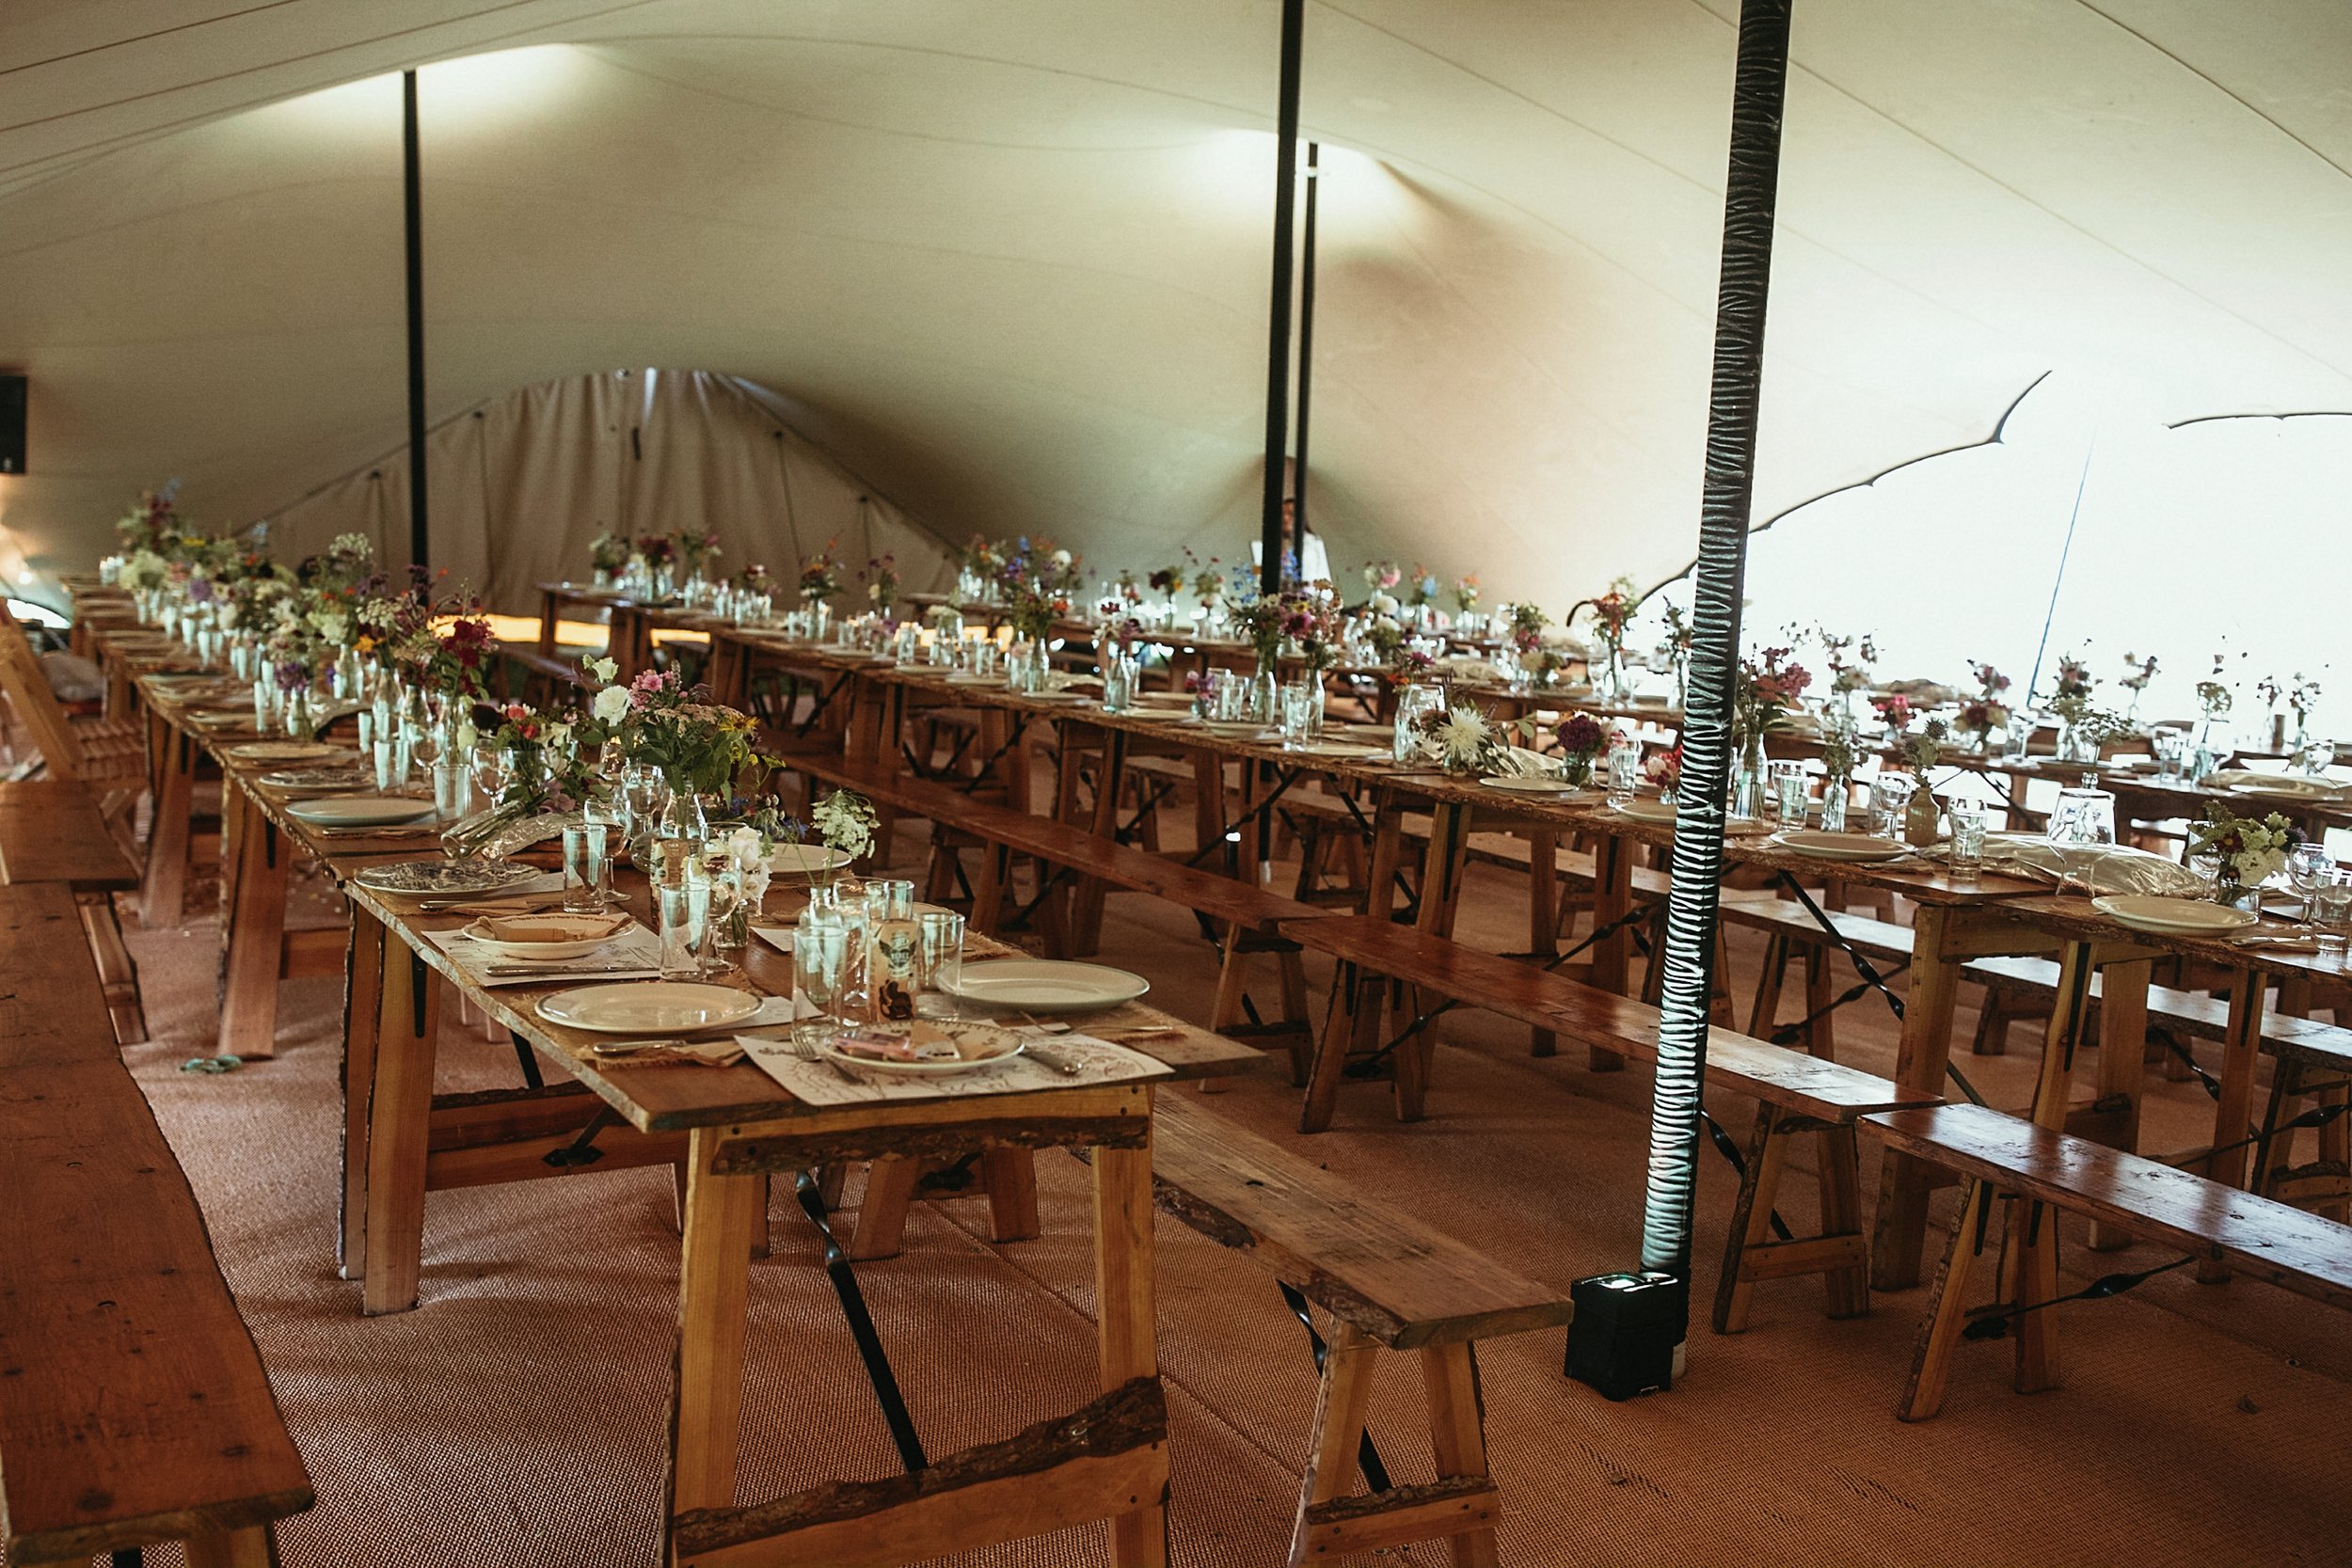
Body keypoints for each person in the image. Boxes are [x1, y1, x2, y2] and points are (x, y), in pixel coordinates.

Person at [1248, 497, 1331, 586]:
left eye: (1291, 514)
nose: (1285, 518)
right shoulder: (1275, 544)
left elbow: (1310, 576)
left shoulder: (1311, 544)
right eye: (1282, 514)